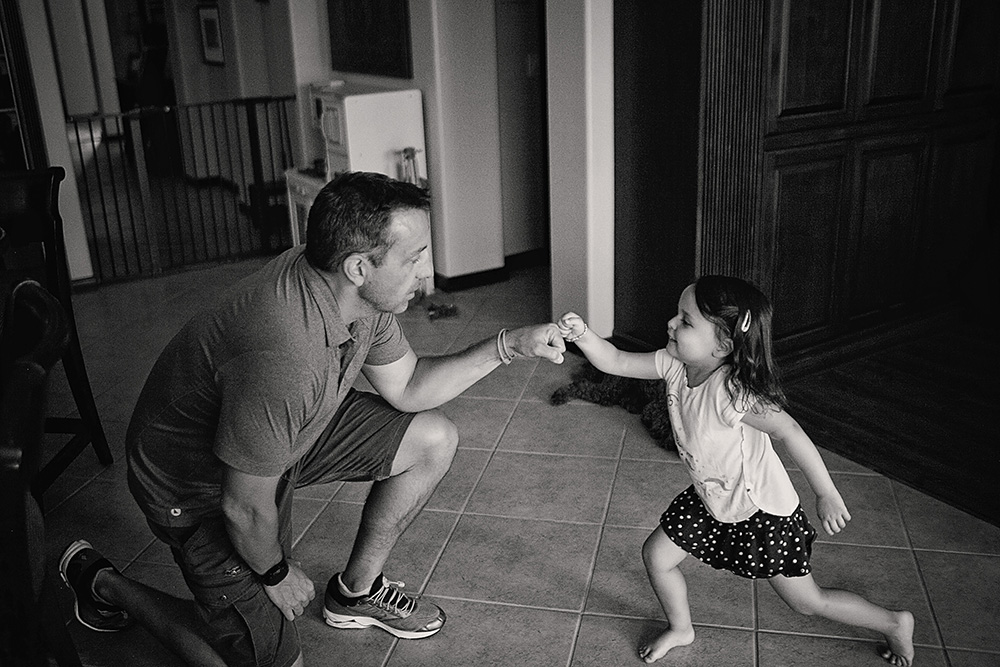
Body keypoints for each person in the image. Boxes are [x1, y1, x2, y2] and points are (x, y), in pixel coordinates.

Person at [58, 171, 567, 667]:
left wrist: (510, 346)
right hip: (198, 484)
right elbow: (242, 507)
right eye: (413, 259)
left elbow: (409, 385)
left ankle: (355, 594)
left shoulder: (358, 297)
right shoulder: (285, 353)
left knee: (432, 438)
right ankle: (105, 582)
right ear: (358, 267)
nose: (424, 272)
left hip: (279, 438)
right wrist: (275, 573)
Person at [556, 275, 914, 666]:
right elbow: (618, 361)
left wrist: (825, 492)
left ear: (724, 344)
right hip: (712, 498)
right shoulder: (674, 364)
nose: (672, 324)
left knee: (807, 602)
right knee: (656, 556)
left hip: (761, 511)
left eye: (686, 321)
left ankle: (894, 623)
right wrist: (584, 335)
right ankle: (681, 628)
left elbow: (789, 431)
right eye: (677, 315)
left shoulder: (733, 393)